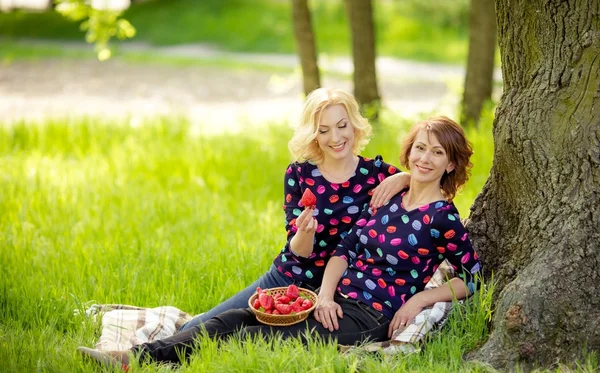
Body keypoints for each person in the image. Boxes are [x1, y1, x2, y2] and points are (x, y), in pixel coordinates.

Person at [77, 116, 482, 368]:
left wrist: (419, 300)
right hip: (334, 302)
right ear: (410, 152)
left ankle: (145, 361)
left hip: (369, 317)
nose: (425, 159)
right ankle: (135, 359)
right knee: (234, 319)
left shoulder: (442, 217)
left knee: (247, 334)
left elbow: (471, 276)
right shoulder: (387, 196)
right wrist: (325, 296)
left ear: (451, 163)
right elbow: (344, 252)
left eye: (437, 154)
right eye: (420, 149)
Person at [177, 87, 409, 331]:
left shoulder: (378, 174)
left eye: (342, 126)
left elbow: (427, 188)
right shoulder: (299, 173)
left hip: (345, 290)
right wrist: (306, 232)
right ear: (314, 135)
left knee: (252, 338)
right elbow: (299, 251)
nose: (335, 138)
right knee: (197, 329)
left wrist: (405, 177)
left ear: (354, 126)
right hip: (291, 278)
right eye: (324, 130)